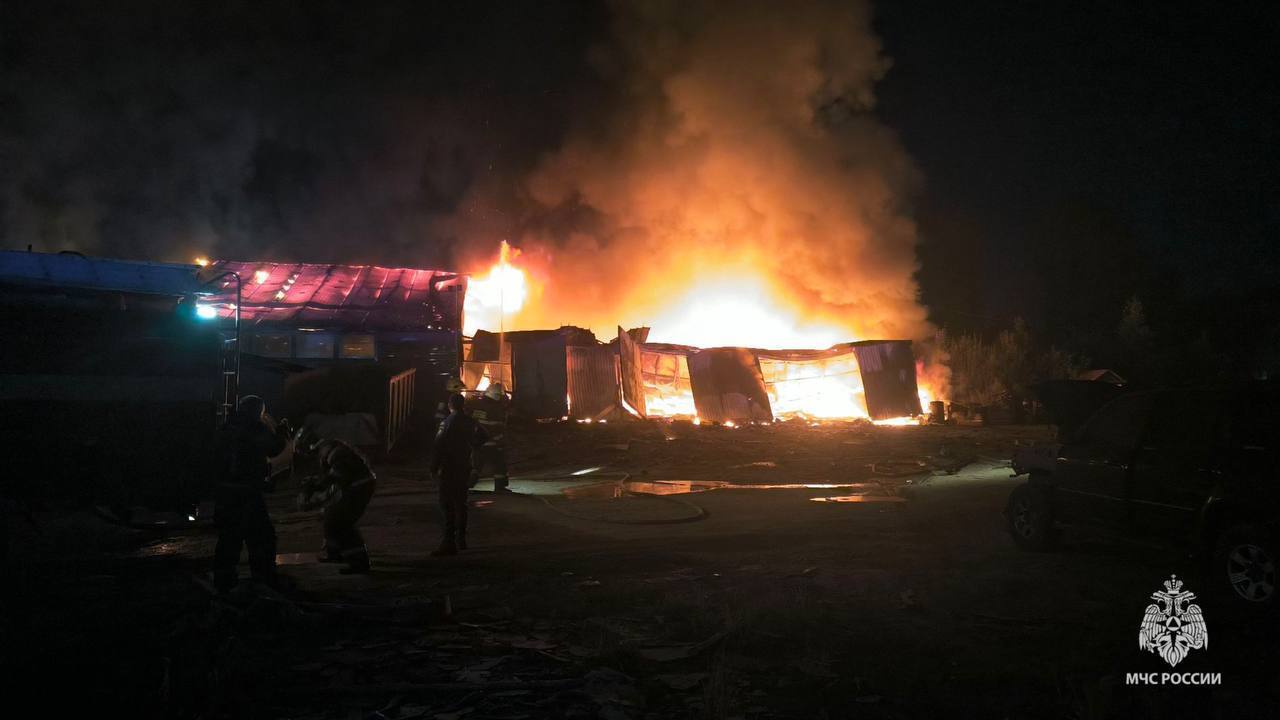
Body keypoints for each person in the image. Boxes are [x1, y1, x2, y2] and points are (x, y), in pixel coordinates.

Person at [212, 395, 291, 592]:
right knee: (262, 537)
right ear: (257, 411)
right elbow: (274, 449)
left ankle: (224, 581)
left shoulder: (226, 427)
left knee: (229, 538)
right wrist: (282, 433)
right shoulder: (254, 428)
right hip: (247, 491)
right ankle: (263, 577)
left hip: (225, 492)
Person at [295, 429, 377, 574]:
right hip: (355, 487)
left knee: (341, 523)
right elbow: (335, 482)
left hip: (358, 488)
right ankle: (335, 554)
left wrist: (316, 487)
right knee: (332, 518)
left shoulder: (336, 454)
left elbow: (338, 478)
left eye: (314, 452)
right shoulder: (334, 452)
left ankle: (359, 562)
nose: (316, 457)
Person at [430, 393, 487, 555]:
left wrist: (433, 468)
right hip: (465, 467)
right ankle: (461, 540)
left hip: (449, 468)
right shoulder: (471, 421)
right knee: (461, 503)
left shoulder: (446, 423)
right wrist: (472, 447)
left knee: (446, 504)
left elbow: (438, 446)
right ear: (463, 405)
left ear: (450, 405)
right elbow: (484, 435)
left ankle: (448, 542)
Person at [470, 382, 510, 491]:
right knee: (499, 464)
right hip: (492, 442)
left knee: (476, 466)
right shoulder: (495, 408)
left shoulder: (478, 404)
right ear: (496, 395)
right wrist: (499, 438)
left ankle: (466, 486)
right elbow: (497, 425)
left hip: (478, 442)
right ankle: (500, 487)